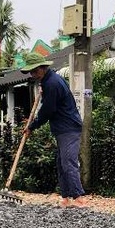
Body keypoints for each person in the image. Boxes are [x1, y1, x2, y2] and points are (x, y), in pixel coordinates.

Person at [19, 53, 88, 207]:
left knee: (68, 162)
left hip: (68, 127)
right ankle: (66, 197)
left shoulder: (52, 83)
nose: (33, 74)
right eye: (31, 72)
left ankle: (78, 197)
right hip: (62, 127)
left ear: (43, 68)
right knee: (61, 163)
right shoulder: (48, 81)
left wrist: (32, 126)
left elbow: (47, 110)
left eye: (35, 71)